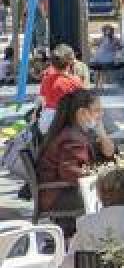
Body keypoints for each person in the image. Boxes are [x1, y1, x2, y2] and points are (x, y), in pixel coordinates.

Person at [35, 89, 115, 235]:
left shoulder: (77, 132)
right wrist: (101, 175)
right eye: (97, 110)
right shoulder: (72, 137)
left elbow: (109, 153)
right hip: (61, 194)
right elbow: (70, 172)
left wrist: (103, 134)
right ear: (82, 113)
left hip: (62, 191)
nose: (101, 114)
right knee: (118, 194)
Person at [37, 45, 84, 132]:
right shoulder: (75, 81)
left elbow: (42, 100)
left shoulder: (46, 80)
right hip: (66, 122)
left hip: (47, 122)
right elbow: (81, 102)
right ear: (70, 63)